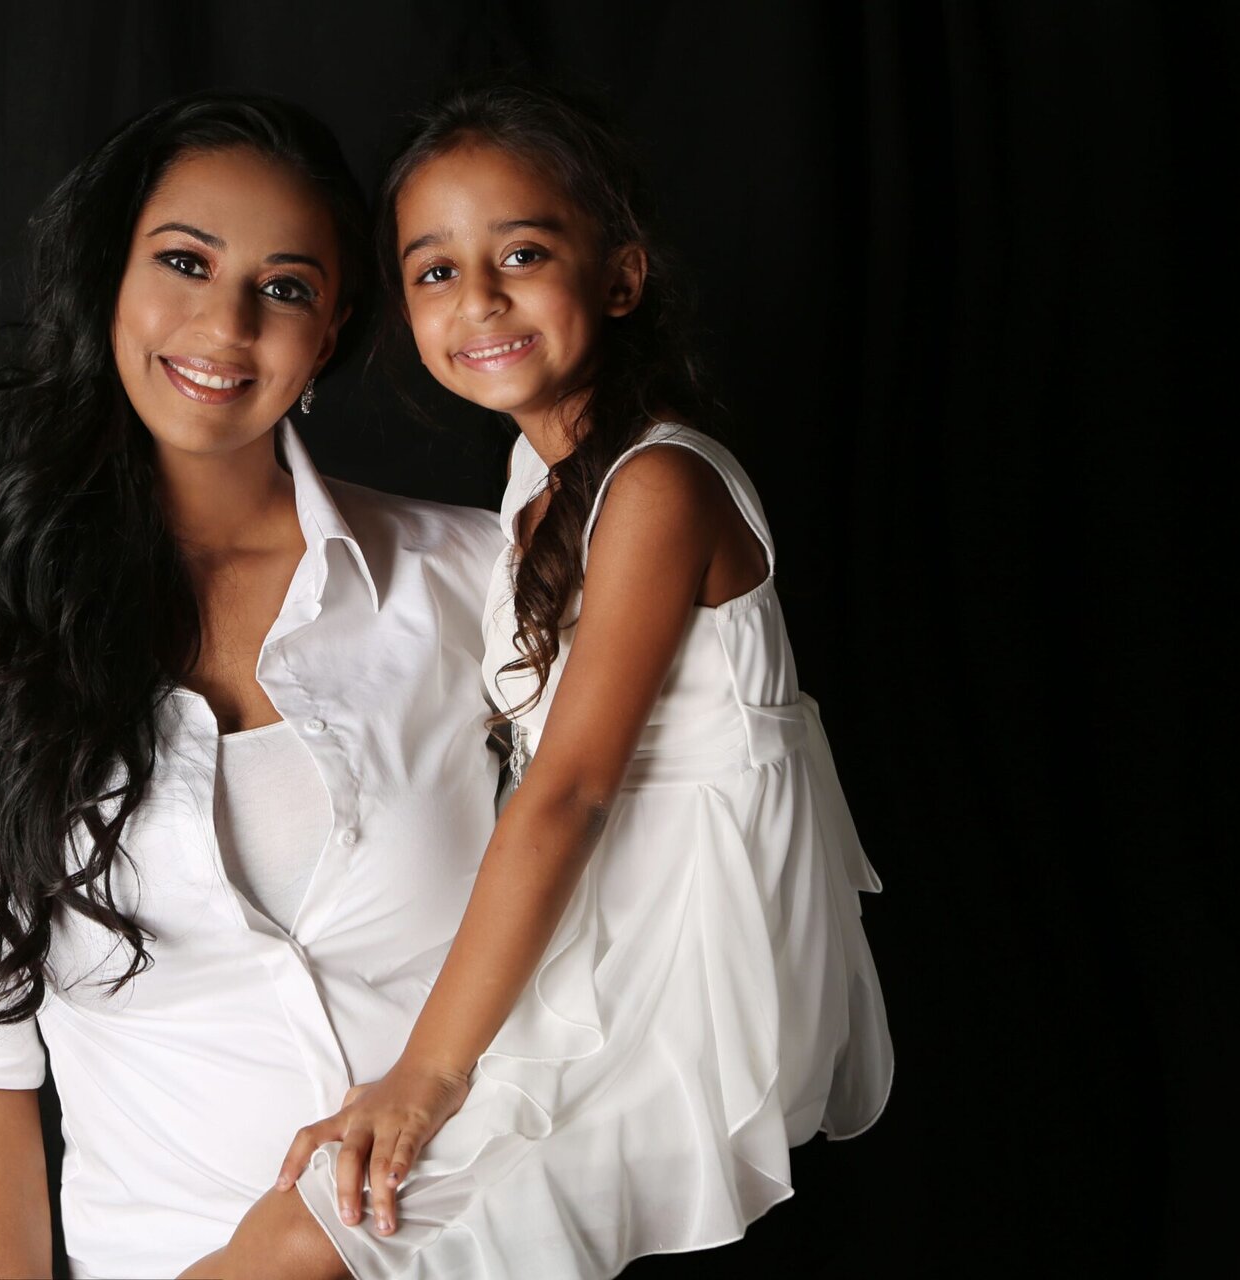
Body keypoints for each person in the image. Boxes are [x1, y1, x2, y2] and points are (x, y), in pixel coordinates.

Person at [0, 93, 501, 1279]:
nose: (226, 322)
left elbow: (608, 952)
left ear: (335, 326)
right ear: (109, 276)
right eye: (186, 262)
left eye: (286, 286)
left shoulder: (476, 580)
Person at [276, 81, 894, 1278]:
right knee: (314, 1218)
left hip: (674, 966)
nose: (480, 299)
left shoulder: (657, 486)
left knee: (340, 1223)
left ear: (619, 276)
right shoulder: (537, 478)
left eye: (520, 252)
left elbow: (567, 792)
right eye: (435, 270)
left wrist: (426, 1073)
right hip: (602, 930)